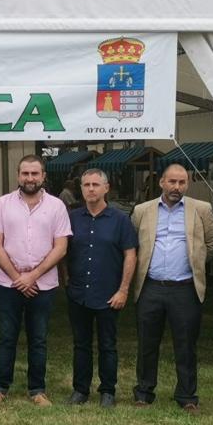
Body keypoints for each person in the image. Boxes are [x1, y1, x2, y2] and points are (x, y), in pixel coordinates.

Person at [130, 163, 213, 412]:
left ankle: (187, 397)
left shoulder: (201, 209)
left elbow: (211, 245)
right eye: (171, 182)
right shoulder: (141, 211)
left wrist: (194, 264)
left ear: (187, 184)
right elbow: (133, 245)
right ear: (161, 182)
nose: (176, 187)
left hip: (185, 288)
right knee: (147, 343)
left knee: (186, 344)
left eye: (181, 183)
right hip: (150, 287)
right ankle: (144, 393)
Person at [0, 155, 72, 406]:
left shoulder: (56, 206)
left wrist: (32, 276)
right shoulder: (2, 204)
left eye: (35, 174)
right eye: (25, 173)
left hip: (42, 284)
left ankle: (37, 390)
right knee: (7, 337)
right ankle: (0, 388)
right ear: (18, 175)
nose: (30, 178)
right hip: (8, 283)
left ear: (43, 176)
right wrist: (17, 277)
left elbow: (61, 247)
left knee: (38, 338)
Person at [63, 169, 138, 407]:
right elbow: (62, 251)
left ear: (106, 188)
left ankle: (108, 391)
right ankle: (80, 390)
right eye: (86, 185)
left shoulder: (120, 220)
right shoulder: (72, 218)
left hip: (109, 294)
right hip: (78, 294)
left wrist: (123, 289)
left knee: (108, 344)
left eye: (96, 184)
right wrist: (65, 279)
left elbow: (130, 255)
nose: (91, 189)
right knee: (80, 344)